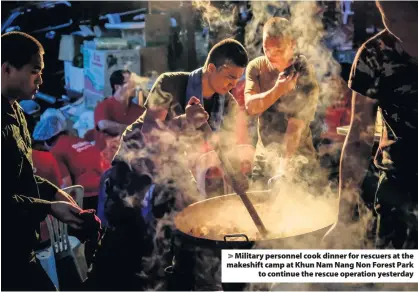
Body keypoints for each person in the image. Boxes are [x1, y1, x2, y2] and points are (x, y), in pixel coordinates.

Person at [323, 1, 418, 249]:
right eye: (391, 20)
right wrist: (342, 218)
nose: (401, 29)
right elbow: (358, 139)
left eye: (409, 19)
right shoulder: (373, 55)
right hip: (397, 192)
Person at [1, 31, 91, 290]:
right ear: (7, 69)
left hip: (20, 245)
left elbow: (21, 177)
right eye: (34, 71)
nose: (41, 79)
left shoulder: (16, 111)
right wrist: (49, 207)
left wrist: (54, 193)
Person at [244, 17, 320, 189]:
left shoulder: (302, 71)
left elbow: (295, 127)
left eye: (278, 50)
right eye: (266, 49)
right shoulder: (257, 67)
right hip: (263, 159)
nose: (270, 55)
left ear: (292, 44)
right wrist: (278, 89)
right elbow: (251, 106)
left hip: (297, 160)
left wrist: (283, 169)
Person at [33, 116, 105, 211]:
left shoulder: (55, 151)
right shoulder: (78, 139)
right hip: (108, 184)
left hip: (92, 193)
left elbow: (67, 187)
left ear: (46, 141)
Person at [94, 69, 145, 163]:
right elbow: (104, 125)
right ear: (117, 87)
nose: (135, 86)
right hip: (106, 163)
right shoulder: (104, 106)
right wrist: (132, 130)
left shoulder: (139, 110)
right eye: (130, 83)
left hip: (131, 161)